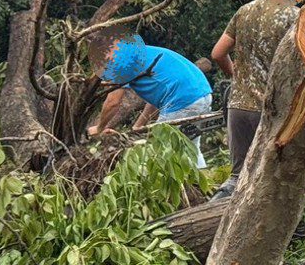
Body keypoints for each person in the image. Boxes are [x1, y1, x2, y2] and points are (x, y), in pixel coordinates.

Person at [209, 0, 302, 198]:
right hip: (272, 110)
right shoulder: (296, 18)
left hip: (238, 107)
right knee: (274, 178)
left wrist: (237, 77)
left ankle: (214, 212)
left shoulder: (244, 11)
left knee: (237, 178)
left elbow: (218, 53)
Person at [88, 30, 214, 167]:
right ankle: (203, 178)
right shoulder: (141, 53)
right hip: (203, 95)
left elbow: (113, 102)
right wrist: (138, 126)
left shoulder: (120, 61)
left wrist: (99, 128)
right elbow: (156, 100)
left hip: (180, 100)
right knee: (190, 147)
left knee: (158, 153)